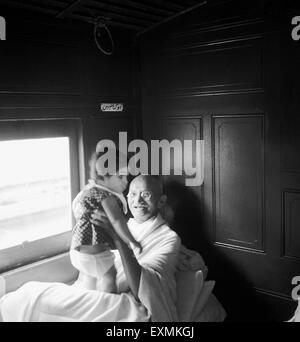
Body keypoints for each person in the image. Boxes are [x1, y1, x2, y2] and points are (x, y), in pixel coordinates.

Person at [70, 143, 142, 293]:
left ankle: (91, 299)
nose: (126, 181)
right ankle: (109, 302)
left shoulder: (88, 191)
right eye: (120, 177)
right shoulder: (106, 196)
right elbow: (117, 221)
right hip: (95, 251)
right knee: (109, 277)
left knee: (90, 277)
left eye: (126, 176)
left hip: (77, 251)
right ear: (103, 176)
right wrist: (132, 242)